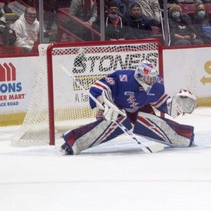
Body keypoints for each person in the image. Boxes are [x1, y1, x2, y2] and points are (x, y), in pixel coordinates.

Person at [60, 60, 197, 155]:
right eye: (148, 78)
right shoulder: (123, 78)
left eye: (153, 78)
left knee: (151, 123)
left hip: (139, 108)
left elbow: (160, 102)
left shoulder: (157, 85)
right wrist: (104, 105)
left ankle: (184, 137)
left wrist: (175, 106)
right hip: (116, 107)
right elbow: (99, 87)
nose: (152, 81)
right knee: (108, 124)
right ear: (139, 75)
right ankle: (73, 143)